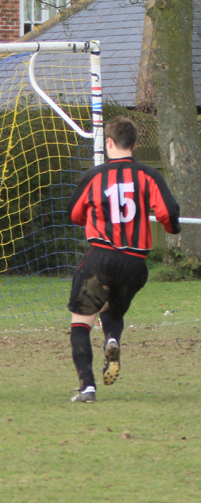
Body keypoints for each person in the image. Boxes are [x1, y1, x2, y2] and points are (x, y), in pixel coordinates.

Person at [67, 116, 180, 403]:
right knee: (112, 311)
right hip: (134, 263)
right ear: (135, 144)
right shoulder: (149, 175)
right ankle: (112, 340)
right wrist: (172, 228)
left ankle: (87, 388)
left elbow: (74, 214)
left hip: (100, 256)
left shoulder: (95, 176)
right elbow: (167, 212)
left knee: (81, 322)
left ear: (109, 143)